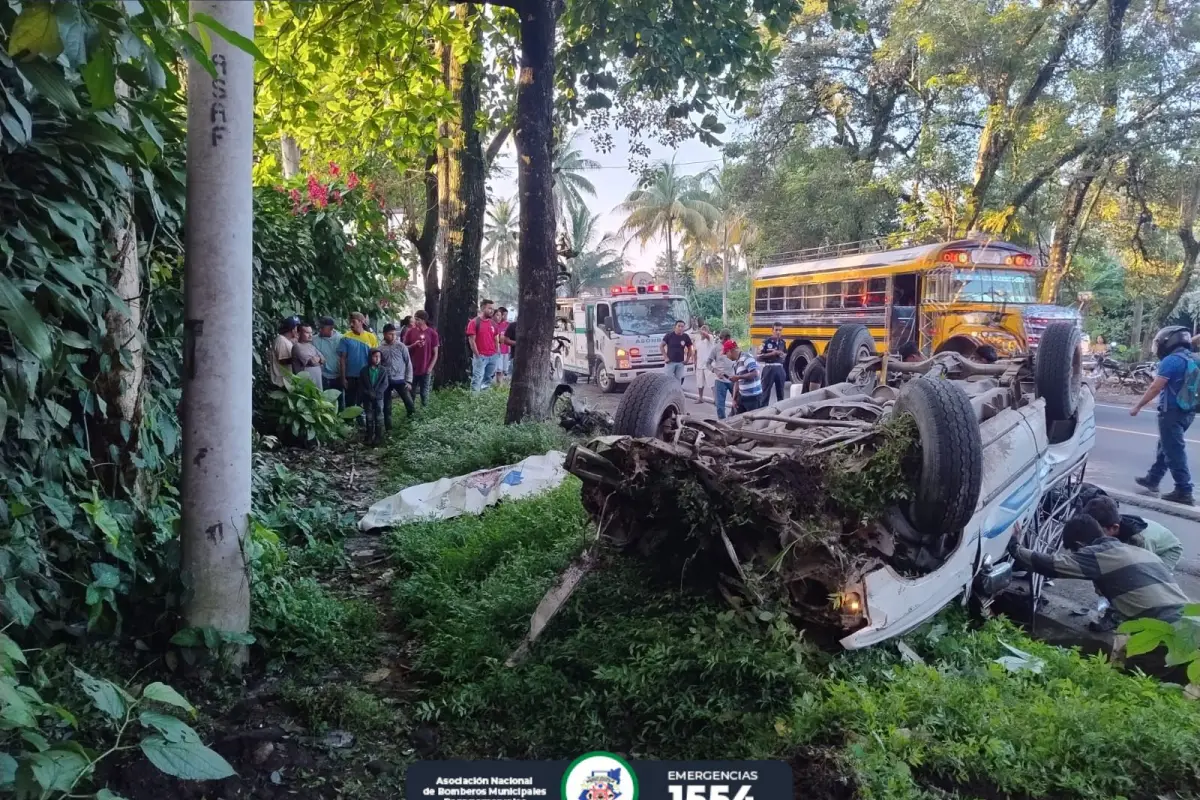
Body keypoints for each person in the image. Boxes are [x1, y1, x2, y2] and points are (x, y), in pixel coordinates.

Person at [1009, 514, 1188, 630]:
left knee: (1138, 672)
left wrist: (1015, 547)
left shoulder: (1097, 556)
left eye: (1074, 551)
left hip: (1164, 625)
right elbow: (1130, 593)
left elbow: (1051, 566)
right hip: (1190, 617)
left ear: (1080, 546)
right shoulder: (1136, 551)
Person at [1133, 326, 1197, 505]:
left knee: (1174, 451)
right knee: (1166, 446)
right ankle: (1153, 479)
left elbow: (1155, 387)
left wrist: (1138, 406)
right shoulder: (1191, 358)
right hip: (1188, 412)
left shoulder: (1171, 361)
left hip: (1171, 413)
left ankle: (1184, 490)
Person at [1083, 496, 1184, 571]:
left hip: (1168, 551)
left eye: (1099, 533)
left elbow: (1145, 566)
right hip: (1141, 539)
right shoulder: (1109, 521)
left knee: (1152, 575)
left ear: (1114, 528)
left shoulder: (1142, 541)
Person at [338, 312, 378, 414]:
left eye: (353, 322)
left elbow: (376, 357)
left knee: (366, 401)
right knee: (350, 402)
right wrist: (343, 378)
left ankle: (365, 423)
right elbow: (342, 359)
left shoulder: (371, 337)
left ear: (361, 322)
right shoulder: (346, 337)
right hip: (351, 376)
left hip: (366, 376)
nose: (351, 325)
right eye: (350, 322)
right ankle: (349, 425)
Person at [379, 323, 416, 429]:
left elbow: (408, 363)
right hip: (386, 380)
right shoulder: (380, 348)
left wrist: (409, 381)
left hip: (400, 379)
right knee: (387, 407)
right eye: (390, 334)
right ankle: (388, 429)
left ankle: (412, 424)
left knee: (409, 403)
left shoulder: (401, 346)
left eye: (394, 334)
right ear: (385, 334)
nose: (393, 336)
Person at [404, 310, 440, 407]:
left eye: (418, 319)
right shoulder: (410, 332)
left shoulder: (432, 333)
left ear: (424, 320)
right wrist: (414, 345)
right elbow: (404, 348)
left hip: (425, 368)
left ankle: (425, 413)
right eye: (415, 319)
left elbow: (435, 353)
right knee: (411, 393)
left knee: (424, 393)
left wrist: (430, 368)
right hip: (412, 368)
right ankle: (411, 413)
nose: (415, 322)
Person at [467, 299, 501, 391]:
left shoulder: (493, 323)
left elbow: (496, 338)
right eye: (489, 308)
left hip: (493, 356)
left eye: (493, 309)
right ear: (482, 308)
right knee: (477, 379)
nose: (492, 311)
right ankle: (474, 401)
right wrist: (477, 355)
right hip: (481, 356)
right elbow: (472, 341)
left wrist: (497, 352)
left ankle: (484, 400)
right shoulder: (474, 322)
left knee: (488, 379)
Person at [359, 349, 389, 445]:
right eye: (375, 356)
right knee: (369, 416)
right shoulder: (364, 370)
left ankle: (378, 437)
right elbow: (361, 384)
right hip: (367, 397)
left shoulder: (383, 370)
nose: (377, 359)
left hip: (379, 397)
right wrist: (368, 392)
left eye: (379, 357)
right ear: (370, 357)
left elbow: (385, 384)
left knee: (379, 416)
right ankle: (369, 436)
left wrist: (377, 393)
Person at [727, 341, 765, 414]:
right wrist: (734, 399)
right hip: (742, 396)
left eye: (726, 353)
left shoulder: (747, 358)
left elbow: (755, 373)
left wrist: (738, 377)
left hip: (754, 397)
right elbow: (737, 382)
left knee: (753, 421)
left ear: (730, 351)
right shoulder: (735, 363)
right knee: (739, 419)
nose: (726, 356)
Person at [314, 317, 344, 407]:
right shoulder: (314, 340)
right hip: (323, 375)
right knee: (323, 402)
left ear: (331, 328)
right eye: (319, 327)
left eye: (322, 328)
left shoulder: (341, 339)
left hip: (338, 375)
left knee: (339, 403)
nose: (320, 330)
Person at [705, 337, 737, 419]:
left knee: (737, 402)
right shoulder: (716, 348)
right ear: (721, 338)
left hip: (732, 379)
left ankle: (733, 417)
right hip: (720, 380)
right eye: (724, 339)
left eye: (728, 338)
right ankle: (722, 422)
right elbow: (708, 363)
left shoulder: (732, 347)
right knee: (719, 405)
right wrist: (715, 371)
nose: (726, 341)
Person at [758, 323, 788, 403]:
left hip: (780, 368)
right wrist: (772, 354)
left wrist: (783, 355)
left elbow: (785, 353)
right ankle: (763, 412)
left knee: (781, 393)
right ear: (772, 330)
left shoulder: (782, 342)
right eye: (776, 330)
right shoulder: (766, 342)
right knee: (765, 393)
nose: (778, 332)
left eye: (780, 330)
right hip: (769, 367)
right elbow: (759, 356)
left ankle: (779, 412)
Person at [661, 320, 693, 385]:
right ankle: (668, 393)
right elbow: (661, 346)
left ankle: (677, 393)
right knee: (667, 380)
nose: (680, 328)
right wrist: (665, 357)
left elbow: (690, 348)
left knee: (678, 380)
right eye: (679, 326)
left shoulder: (685, 336)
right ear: (675, 327)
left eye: (682, 326)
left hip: (680, 363)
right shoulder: (669, 335)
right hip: (670, 362)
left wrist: (687, 359)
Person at [268, 318, 298, 388]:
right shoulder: (281, 340)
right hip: (281, 383)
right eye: (296, 328)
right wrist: (298, 359)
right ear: (292, 329)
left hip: (286, 382)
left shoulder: (286, 340)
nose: (297, 331)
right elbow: (283, 360)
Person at [693, 325, 717, 404]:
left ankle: (716, 399)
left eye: (705, 330)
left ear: (707, 331)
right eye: (702, 330)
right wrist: (695, 361)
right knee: (699, 383)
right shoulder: (698, 340)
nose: (703, 331)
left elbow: (706, 335)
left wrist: (699, 331)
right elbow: (695, 352)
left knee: (712, 383)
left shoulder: (710, 338)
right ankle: (700, 398)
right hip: (699, 364)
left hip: (708, 364)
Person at [495, 307, 511, 386]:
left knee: (505, 370)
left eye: (506, 315)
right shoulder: (496, 325)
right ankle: (499, 386)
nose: (505, 317)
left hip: (506, 350)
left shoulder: (508, 325)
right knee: (499, 370)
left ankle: (502, 386)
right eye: (504, 315)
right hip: (498, 350)